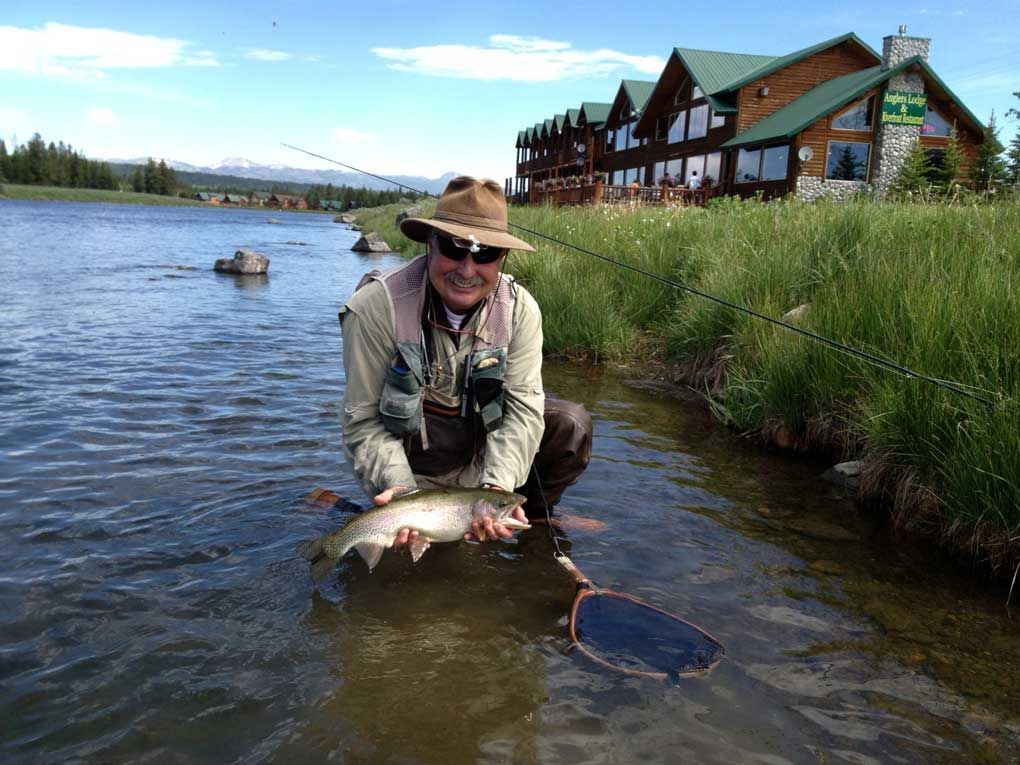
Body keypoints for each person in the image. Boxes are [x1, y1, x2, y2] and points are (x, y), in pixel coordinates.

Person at [339, 176, 593, 547]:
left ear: (502, 257)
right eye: (455, 249)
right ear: (430, 244)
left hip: (482, 470)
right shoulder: (375, 309)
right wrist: (402, 494)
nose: (467, 269)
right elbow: (362, 422)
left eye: (485, 253)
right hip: (408, 475)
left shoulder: (519, 311)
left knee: (570, 424)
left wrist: (495, 488)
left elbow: (524, 412)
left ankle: (534, 520)